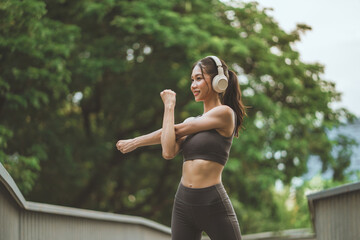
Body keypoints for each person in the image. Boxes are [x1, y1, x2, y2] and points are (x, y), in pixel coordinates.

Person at [116, 56, 246, 240]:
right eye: (192, 80)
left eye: (199, 78)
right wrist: (169, 108)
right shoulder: (191, 121)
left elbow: (175, 130)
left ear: (219, 81)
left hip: (212, 202)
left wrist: (136, 141)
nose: (193, 84)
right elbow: (168, 151)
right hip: (183, 203)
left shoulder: (225, 114)